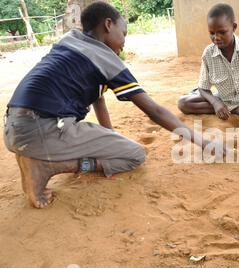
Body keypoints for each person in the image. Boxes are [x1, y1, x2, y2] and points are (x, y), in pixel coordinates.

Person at [3, 1, 216, 209]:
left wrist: (110, 136)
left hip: (14, 127)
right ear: (108, 25)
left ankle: (38, 156)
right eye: (123, 33)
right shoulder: (105, 58)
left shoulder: (69, 41)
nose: (124, 42)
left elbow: (98, 97)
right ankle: (47, 166)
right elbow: (154, 111)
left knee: (113, 145)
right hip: (43, 129)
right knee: (134, 155)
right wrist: (204, 142)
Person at [177, 3, 239, 123]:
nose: (216, 37)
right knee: (183, 103)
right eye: (212, 33)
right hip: (225, 99)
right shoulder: (209, 54)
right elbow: (203, 88)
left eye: (222, 32)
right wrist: (216, 103)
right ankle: (238, 109)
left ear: (234, 27)